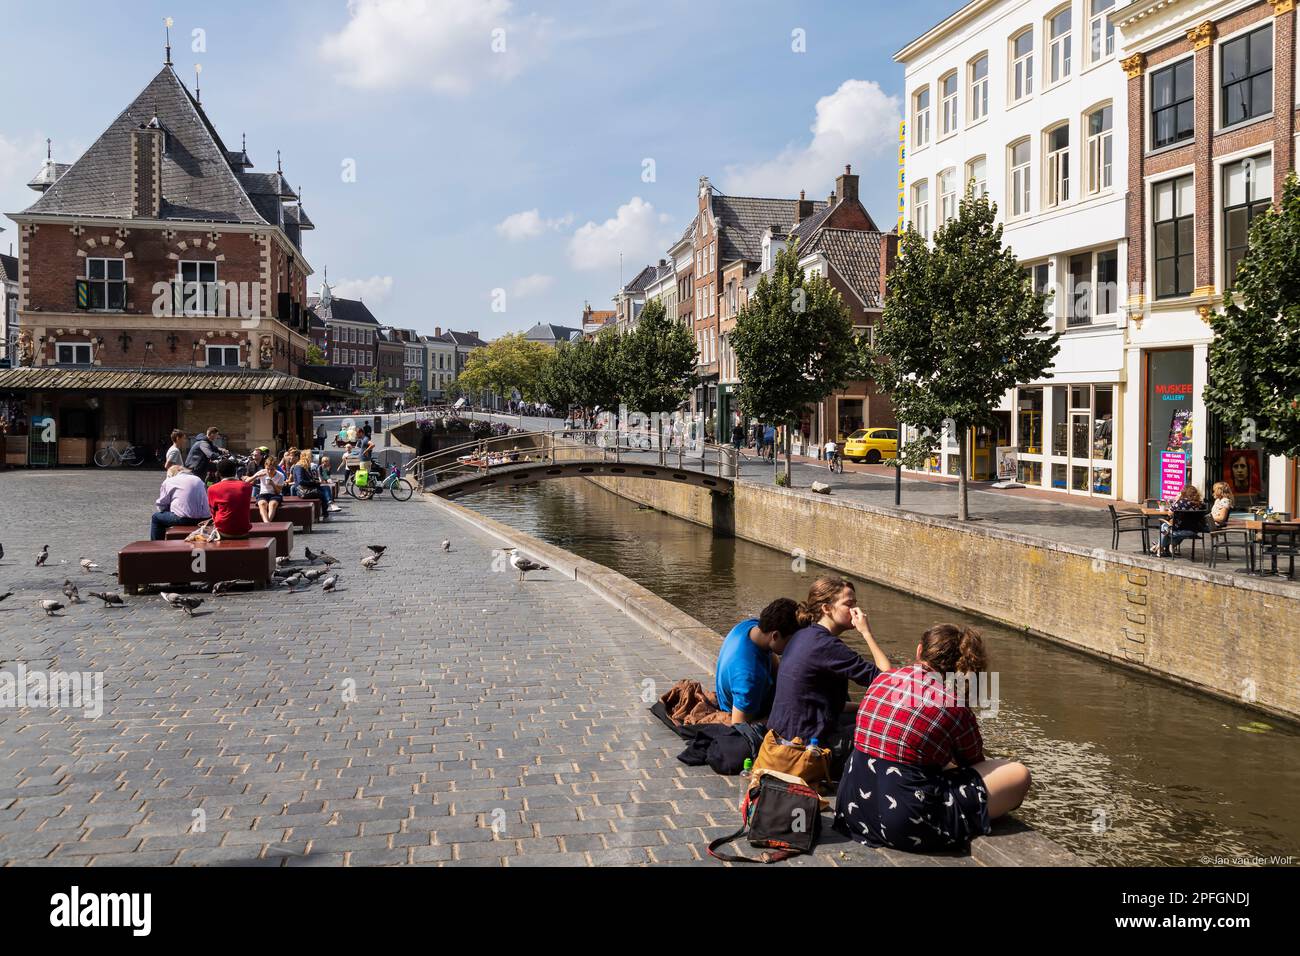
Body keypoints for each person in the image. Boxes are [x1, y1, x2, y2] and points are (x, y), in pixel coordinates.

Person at [832, 624, 1030, 853]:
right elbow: (974, 763)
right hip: (903, 823)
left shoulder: (884, 678)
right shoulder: (952, 703)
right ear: (961, 666)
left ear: (919, 651)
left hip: (852, 807)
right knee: (1017, 773)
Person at [767, 577, 892, 776]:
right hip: (807, 749)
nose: (856, 611)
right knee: (888, 727)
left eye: (855, 604)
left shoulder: (803, 635)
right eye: (848, 604)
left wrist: (863, 708)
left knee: (865, 713)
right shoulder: (828, 647)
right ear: (826, 608)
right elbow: (889, 681)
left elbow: (819, 700)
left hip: (780, 738)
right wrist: (867, 633)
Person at [714, 598, 801, 725]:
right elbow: (739, 726)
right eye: (791, 642)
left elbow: (773, 660)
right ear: (775, 636)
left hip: (747, 693)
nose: (794, 647)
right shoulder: (749, 676)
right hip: (743, 712)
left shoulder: (750, 626)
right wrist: (779, 720)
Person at [151, 465, 211, 540]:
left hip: (184, 519)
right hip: (204, 518)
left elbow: (161, 506)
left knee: (156, 517)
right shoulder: (198, 479)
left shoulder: (169, 481)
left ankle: (157, 545)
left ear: (170, 474)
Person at [1152, 484, 1205, 557]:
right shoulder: (1201, 504)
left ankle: (1159, 547)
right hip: (1193, 530)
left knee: (1165, 526)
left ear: (1184, 493)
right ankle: (1162, 548)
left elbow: (1170, 513)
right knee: (1168, 529)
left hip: (1179, 530)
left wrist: (1177, 500)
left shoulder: (1180, 503)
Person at [207, 458, 252, 538]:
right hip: (243, 529)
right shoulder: (247, 486)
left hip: (223, 530)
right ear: (235, 472)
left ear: (218, 473)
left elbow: (212, 512)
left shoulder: (212, 489)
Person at [293, 449, 341, 516]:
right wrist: (314, 483)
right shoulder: (299, 467)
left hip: (308, 487)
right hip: (302, 490)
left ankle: (329, 506)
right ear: (306, 457)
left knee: (326, 487)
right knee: (321, 493)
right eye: (311, 456)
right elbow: (300, 481)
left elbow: (309, 479)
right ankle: (326, 510)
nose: (312, 457)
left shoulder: (306, 466)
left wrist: (316, 481)